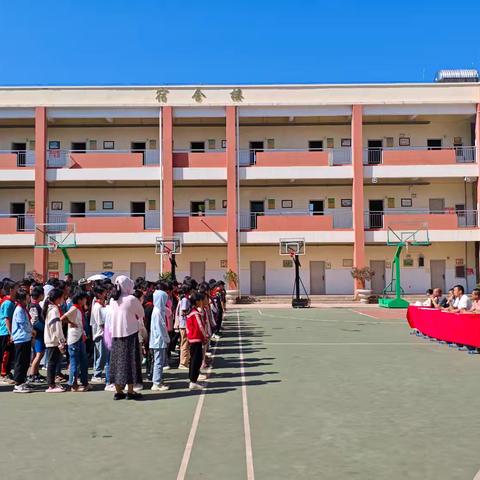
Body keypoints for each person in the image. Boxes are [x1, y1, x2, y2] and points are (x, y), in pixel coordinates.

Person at [109, 275, 145, 401]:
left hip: (116, 336)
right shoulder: (131, 299)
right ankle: (130, 391)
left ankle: (118, 391)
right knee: (131, 363)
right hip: (130, 334)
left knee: (117, 363)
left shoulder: (112, 300)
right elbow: (141, 313)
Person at [62, 291, 90, 392]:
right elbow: (62, 318)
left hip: (80, 337)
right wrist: (71, 322)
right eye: (84, 299)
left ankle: (84, 382)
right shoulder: (74, 308)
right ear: (79, 300)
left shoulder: (79, 309)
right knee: (74, 362)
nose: (85, 300)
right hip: (74, 339)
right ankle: (73, 385)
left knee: (83, 361)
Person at [43, 288, 67, 393]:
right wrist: (61, 340)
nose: (63, 299)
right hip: (53, 340)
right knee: (52, 363)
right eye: (62, 297)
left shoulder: (50, 308)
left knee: (52, 362)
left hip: (51, 339)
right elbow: (56, 326)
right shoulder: (54, 310)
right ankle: (51, 385)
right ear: (58, 298)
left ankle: (51, 383)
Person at [11, 289, 34, 393]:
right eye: (27, 297)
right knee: (20, 362)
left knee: (25, 362)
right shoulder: (19, 309)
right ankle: (18, 384)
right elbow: (23, 325)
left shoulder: (23, 308)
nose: (29, 298)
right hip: (21, 339)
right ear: (22, 299)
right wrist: (32, 331)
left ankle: (22, 381)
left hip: (26, 338)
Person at [149, 285, 170, 391]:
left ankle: (158, 380)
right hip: (158, 341)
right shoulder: (157, 312)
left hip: (158, 340)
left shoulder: (158, 310)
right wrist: (167, 339)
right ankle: (156, 383)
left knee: (159, 361)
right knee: (158, 361)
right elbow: (161, 328)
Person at [186, 292, 208, 390]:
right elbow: (200, 326)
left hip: (192, 339)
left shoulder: (192, 312)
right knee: (196, 360)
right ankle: (193, 381)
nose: (203, 302)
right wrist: (205, 337)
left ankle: (193, 379)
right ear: (197, 301)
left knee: (194, 360)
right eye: (201, 300)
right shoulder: (195, 314)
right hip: (196, 339)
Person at [0, 281, 18, 384]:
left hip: (7, 331)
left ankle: (7, 372)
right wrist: (10, 333)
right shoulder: (7, 302)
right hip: (5, 331)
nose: (17, 291)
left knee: (10, 353)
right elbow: (7, 318)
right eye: (16, 288)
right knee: (6, 353)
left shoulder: (10, 301)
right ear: (11, 290)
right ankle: (4, 374)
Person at [28, 286, 46, 383]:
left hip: (38, 333)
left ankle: (36, 372)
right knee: (39, 354)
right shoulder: (33, 306)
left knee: (38, 354)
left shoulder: (36, 305)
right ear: (40, 295)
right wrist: (45, 328)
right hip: (37, 334)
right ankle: (32, 374)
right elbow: (34, 321)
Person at [90, 286, 108, 383]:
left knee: (100, 355)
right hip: (100, 334)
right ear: (99, 294)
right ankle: (97, 374)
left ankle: (97, 373)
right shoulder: (97, 307)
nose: (106, 295)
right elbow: (100, 322)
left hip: (101, 333)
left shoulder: (100, 305)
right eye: (104, 293)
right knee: (101, 355)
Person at [176, 284, 192, 370]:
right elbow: (183, 312)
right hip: (184, 324)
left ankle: (185, 361)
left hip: (184, 324)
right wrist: (191, 310)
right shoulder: (185, 299)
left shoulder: (183, 299)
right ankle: (183, 363)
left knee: (185, 343)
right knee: (185, 343)